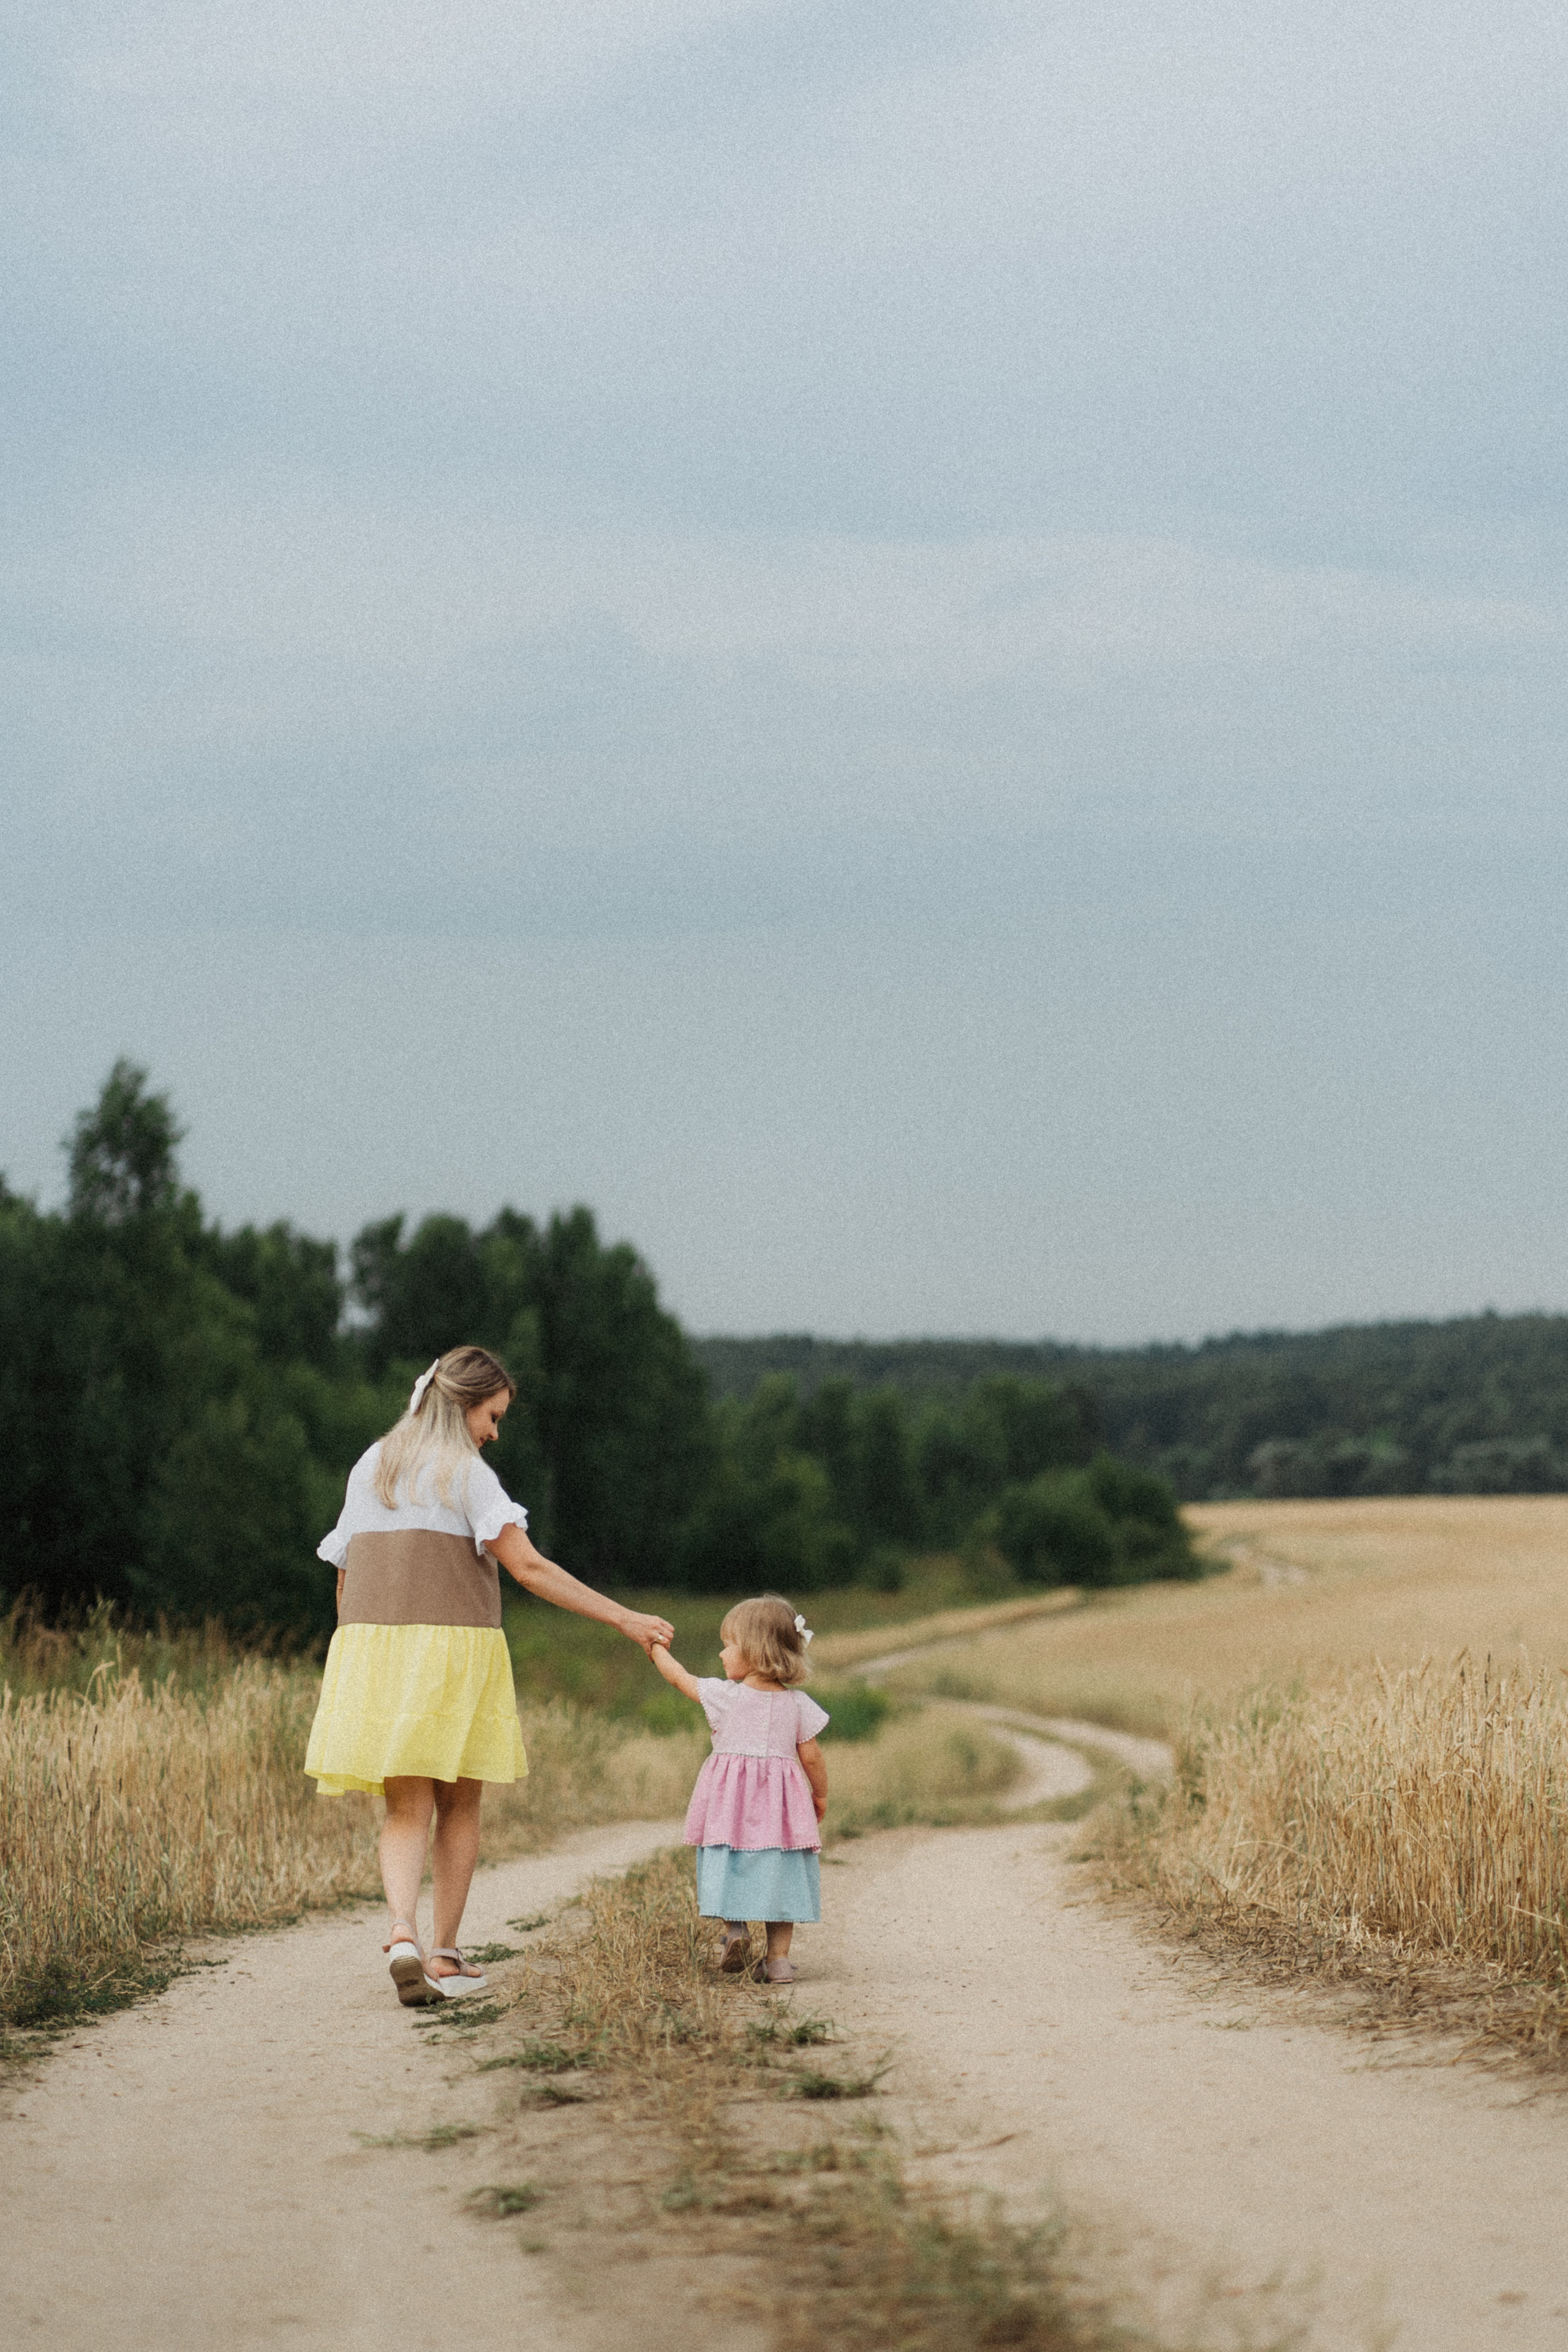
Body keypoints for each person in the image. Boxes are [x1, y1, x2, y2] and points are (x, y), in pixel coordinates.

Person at [304, 1344, 673, 2006]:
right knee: (460, 1803)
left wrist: (354, 1655)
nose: (495, 1432)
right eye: (493, 1415)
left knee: (405, 1806)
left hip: (371, 1649)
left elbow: (345, 1571)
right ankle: (443, 1953)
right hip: (453, 1650)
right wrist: (626, 1619)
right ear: (465, 1405)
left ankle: (401, 1933)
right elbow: (529, 1569)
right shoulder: (467, 1475)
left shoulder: (372, 1465)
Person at [649, 1594, 829, 1984]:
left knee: (729, 1861)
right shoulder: (798, 1704)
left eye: (728, 1644)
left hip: (730, 1809)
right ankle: (778, 1960)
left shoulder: (726, 1696)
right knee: (780, 1872)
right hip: (781, 1813)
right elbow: (812, 1757)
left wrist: (655, 1648)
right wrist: (821, 1795)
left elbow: (679, 1677)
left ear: (754, 1651)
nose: (720, 1652)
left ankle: (736, 1931)